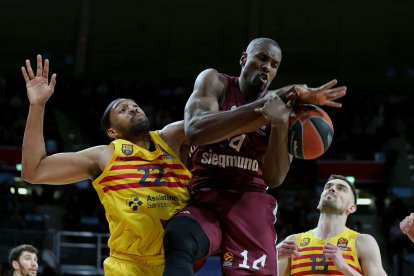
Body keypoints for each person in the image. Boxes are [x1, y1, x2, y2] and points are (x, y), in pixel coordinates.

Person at [163, 37, 347, 275]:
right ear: (243, 59)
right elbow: (196, 131)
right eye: (262, 58)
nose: (267, 66)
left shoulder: (283, 111)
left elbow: (274, 178)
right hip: (206, 195)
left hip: (249, 202)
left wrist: (280, 124)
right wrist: (266, 108)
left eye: (274, 64)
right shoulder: (214, 82)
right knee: (178, 236)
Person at [20, 55, 192, 275]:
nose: (133, 109)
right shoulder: (105, 155)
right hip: (128, 266)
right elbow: (33, 171)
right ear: (112, 132)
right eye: (122, 110)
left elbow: (210, 124)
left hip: (176, 262)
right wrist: (37, 105)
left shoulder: (171, 140)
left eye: (135, 106)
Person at [277, 175, 387, 275]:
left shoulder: (362, 241)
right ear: (318, 202)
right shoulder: (293, 241)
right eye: (327, 187)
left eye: (341, 188)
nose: (332, 189)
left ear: (351, 208)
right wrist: (272, 257)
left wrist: (344, 267)